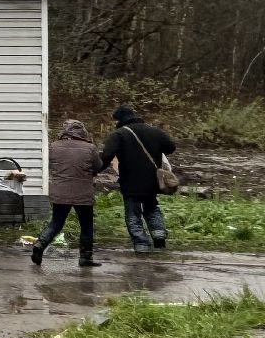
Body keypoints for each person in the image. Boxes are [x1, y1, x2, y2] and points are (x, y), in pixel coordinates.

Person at [98, 105, 177, 253]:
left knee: (133, 213)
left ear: (119, 120)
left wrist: (93, 171)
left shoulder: (119, 135)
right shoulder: (154, 131)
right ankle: (159, 235)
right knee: (152, 207)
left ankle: (141, 244)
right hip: (152, 180)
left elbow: (106, 156)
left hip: (131, 181)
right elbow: (171, 147)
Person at [34, 120, 103, 267]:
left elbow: (51, 164)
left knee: (56, 222)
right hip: (82, 193)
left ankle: (40, 244)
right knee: (86, 225)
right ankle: (85, 258)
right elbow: (98, 166)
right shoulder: (90, 148)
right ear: (82, 131)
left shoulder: (54, 146)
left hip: (61, 191)